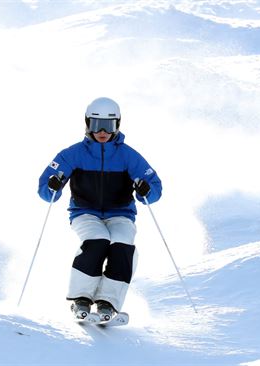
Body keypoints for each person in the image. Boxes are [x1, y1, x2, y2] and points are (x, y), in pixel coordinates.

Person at [38, 97, 162, 320]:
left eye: (109, 125)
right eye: (96, 125)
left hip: (121, 213)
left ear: (118, 125)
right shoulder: (73, 154)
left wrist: (145, 189)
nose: (102, 131)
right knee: (98, 240)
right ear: (87, 124)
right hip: (85, 212)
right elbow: (45, 190)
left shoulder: (127, 155)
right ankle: (81, 298)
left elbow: (155, 188)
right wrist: (52, 185)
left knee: (123, 244)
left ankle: (107, 302)